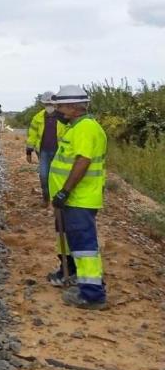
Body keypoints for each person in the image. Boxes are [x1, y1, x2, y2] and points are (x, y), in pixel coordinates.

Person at [47, 84, 108, 310]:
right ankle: (80, 279)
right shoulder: (76, 127)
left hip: (79, 198)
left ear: (74, 106)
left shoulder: (85, 128)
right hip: (74, 199)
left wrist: (65, 190)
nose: (59, 111)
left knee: (84, 247)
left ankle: (92, 294)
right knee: (76, 244)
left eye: (61, 106)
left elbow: (83, 161)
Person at [27, 91, 65, 204]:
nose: (49, 107)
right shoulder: (38, 117)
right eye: (47, 104)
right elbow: (32, 134)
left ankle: (57, 199)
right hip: (43, 152)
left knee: (57, 177)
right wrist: (28, 151)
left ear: (55, 104)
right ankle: (46, 197)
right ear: (43, 104)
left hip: (59, 152)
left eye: (51, 104)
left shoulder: (63, 118)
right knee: (43, 176)